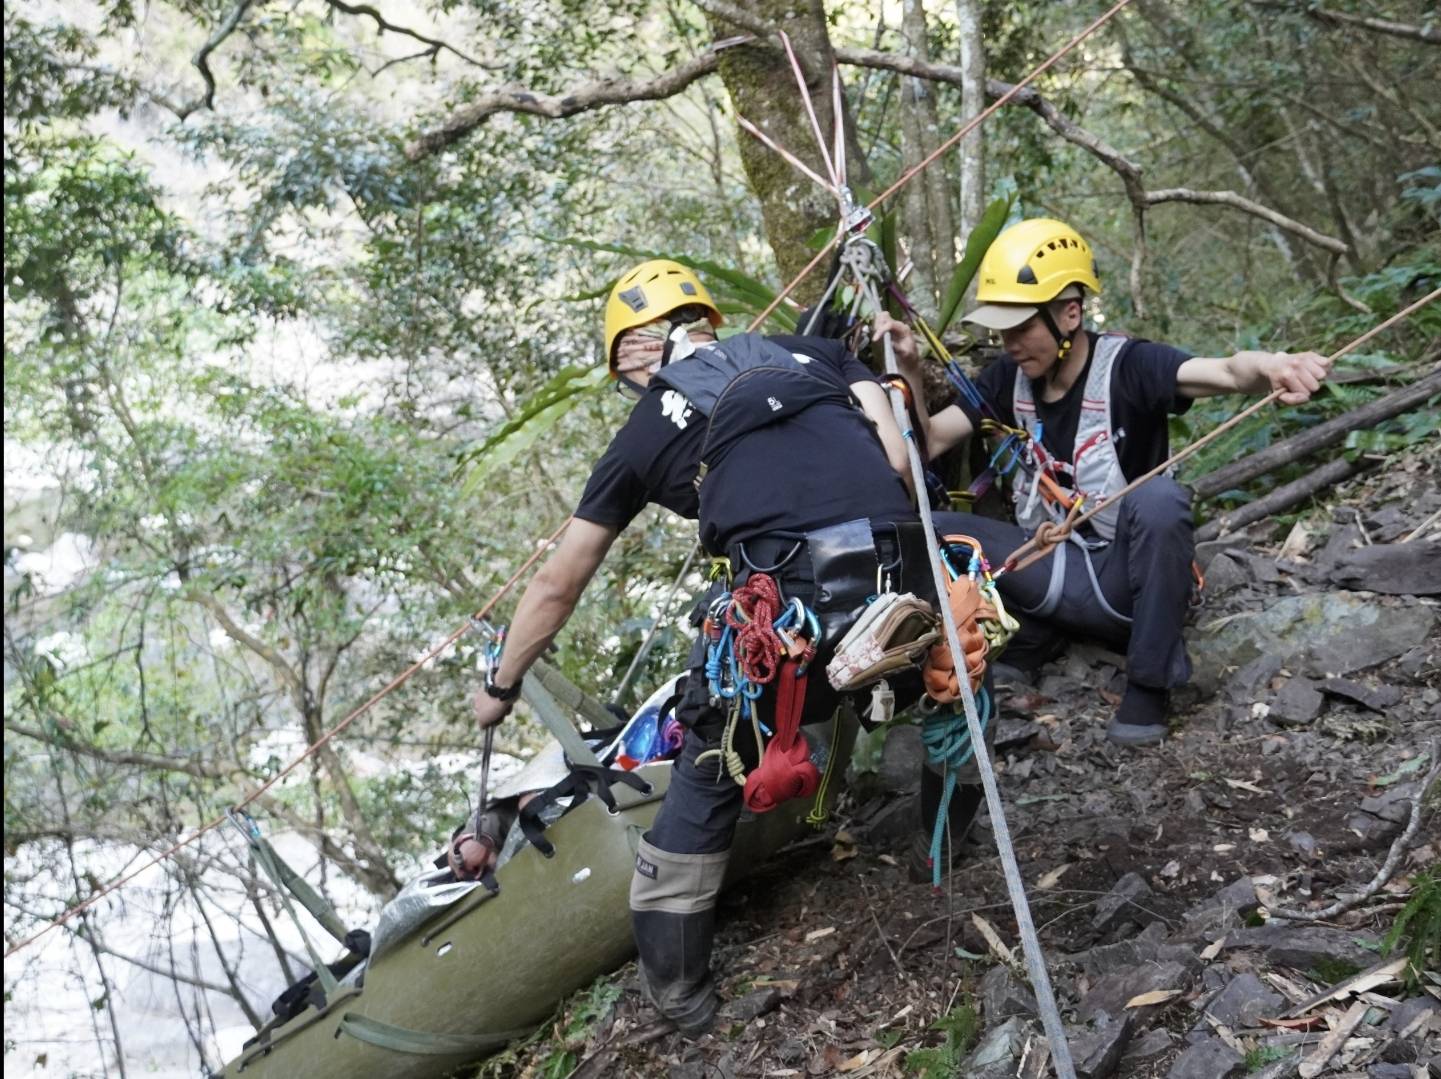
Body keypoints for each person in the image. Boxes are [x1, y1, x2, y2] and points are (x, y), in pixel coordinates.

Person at [471, 258, 983, 1036]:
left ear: (637, 351)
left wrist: (502, 685)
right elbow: (898, 461)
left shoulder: (647, 425)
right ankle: (942, 858)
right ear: (705, 321)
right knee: (950, 687)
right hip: (903, 584)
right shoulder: (821, 354)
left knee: (711, 751)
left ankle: (678, 993)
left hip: (788, 628)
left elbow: (558, 582)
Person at [875, 217, 1332, 747]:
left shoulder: (1131, 365)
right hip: (1052, 566)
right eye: (1003, 330)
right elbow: (928, 441)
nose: (1011, 343)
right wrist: (908, 367)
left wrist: (1275, 366)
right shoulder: (1006, 378)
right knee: (931, 528)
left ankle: (1149, 682)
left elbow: (1228, 372)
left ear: (1069, 313)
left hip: (1125, 588)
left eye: (1022, 327)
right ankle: (1032, 637)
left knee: (1160, 498)